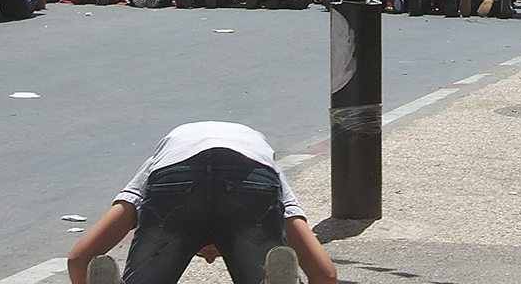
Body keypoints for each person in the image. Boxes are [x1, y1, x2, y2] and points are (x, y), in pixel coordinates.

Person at [66, 121, 337, 284]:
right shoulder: (267, 165)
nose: (209, 258)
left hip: (175, 174)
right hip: (249, 174)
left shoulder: (158, 162)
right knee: (263, 271)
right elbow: (325, 276)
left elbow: (79, 258)